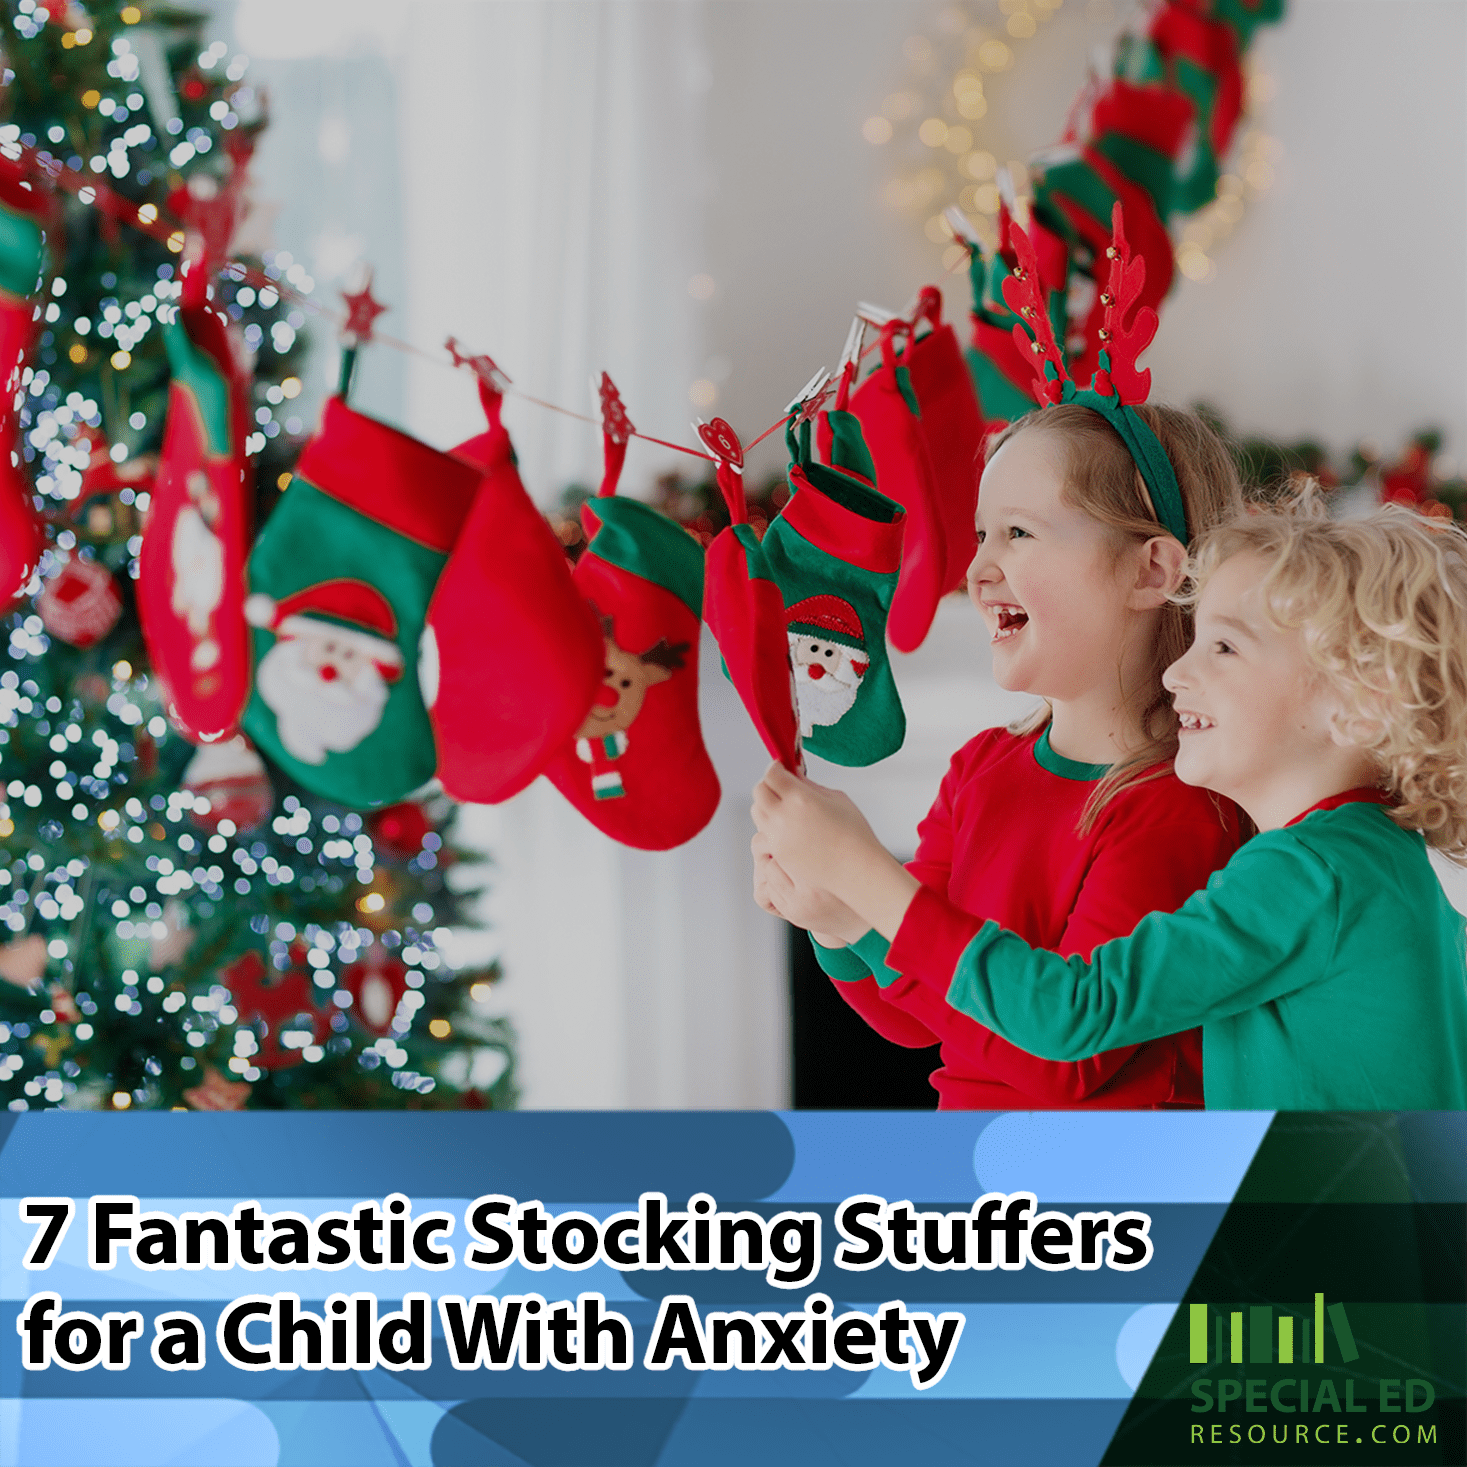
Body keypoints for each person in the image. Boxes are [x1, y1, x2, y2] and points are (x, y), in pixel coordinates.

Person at [754, 496, 1467, 1110]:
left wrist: (861, 871)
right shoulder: (1370, 856)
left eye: (1223, 647)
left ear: (1358, 700)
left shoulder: (1309, 870)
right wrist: (846, 917)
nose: (1177, 669)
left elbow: (1076, 1013)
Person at [755, 389, 1251, 1108]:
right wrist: (835, 917)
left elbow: (1063, 1060)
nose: (977, 567)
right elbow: (913, 1013)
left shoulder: (1177, 805)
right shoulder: (980, 768)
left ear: (1149, 571)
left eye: (1017, 533)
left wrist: (865, 878)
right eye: (981, 533)